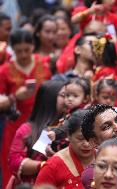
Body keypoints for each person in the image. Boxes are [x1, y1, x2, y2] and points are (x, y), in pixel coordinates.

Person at [0, 29, 51, 188]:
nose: (23, 55)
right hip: (16, 125)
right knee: (13, 165)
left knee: (41, 164)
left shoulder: (44, 64)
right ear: (12, 50)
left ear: (33, 46)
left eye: (27, 50)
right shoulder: (5, 71)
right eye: (18, 51)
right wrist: (15, 97)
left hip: (44, 123)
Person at [7, 80, 66, 187]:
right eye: (63, 95)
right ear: (49, 98)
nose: (68, 99)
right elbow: (14, 162)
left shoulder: (71, 128)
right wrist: (44, 165)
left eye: (71, 95)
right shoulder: (27, 129)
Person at [35, 109, 95, 188]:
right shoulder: (52, 166)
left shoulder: (105, 159)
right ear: (68, 136)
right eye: (80, 138)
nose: (87, 144)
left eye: (91, 138)